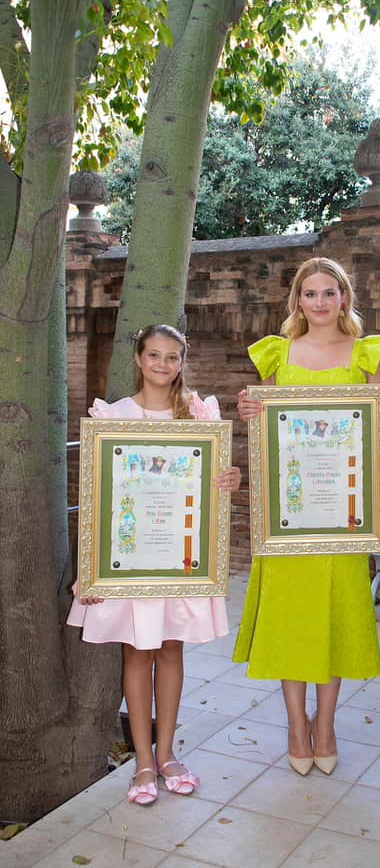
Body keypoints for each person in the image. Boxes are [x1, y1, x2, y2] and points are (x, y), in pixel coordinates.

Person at [233, 257, 380, 776]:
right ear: (298, 301)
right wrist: (249, 413)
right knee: (291, 621)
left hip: (345, 515)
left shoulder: (369, 354)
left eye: (330, 292)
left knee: (334, 618)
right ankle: (295, 725)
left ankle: (325, 724)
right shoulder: (275, 354)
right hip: (290, 514)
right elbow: (267, 438)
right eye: (311, 293)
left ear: (344, 297)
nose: (321, 302)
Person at [67, 324, 241, 805]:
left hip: (177, 554)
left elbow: (210, 487)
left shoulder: (199, 415)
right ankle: (142, 761)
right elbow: (98, 498)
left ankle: (167, 755)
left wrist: (229, 478)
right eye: (154, 355)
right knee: (137, 653)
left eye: (172, 357)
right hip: (133, 555)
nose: (163, 364)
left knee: (170, 650)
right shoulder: (114, 416)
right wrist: (90, 569)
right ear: (139, 360)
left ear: (182, 362)